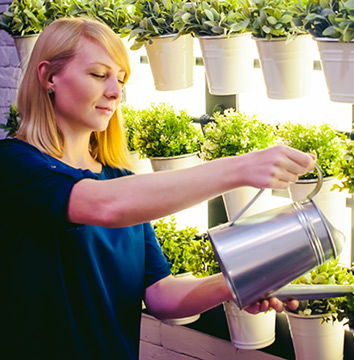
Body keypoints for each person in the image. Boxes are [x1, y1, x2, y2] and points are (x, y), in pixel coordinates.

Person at [0, 17, 316, 360]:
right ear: (49, 77)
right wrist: (241, 167)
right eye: (98, 74)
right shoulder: (13, 163)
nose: (115, 92)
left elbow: (161, 295)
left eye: (120, 79)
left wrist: (238, 283)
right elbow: (102, 207)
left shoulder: (120, 180)